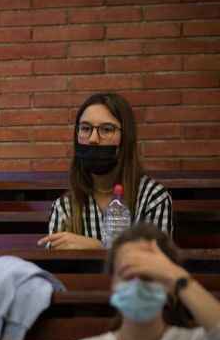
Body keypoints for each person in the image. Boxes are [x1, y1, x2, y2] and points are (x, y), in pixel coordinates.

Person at [38, 93, 172, 250]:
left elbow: (157, 265)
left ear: (125, 139)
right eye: (86, 128)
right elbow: (56, 270)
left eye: (107, 129)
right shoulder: (64, 207)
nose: (93, 138)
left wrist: (99, 247)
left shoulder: (152, 198)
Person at [67, 223, 220, 340]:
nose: (137, 284)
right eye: (128, 273)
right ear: (113, 282)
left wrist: (177, 277)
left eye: (149, 275)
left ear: (169, 286)